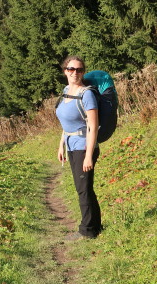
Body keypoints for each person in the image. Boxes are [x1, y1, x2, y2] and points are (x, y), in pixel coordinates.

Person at [56, 55, 102, 240]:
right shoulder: (66, 91)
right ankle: (96, 226)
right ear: (65, 71)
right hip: (71, 145)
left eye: (79, 70)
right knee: (85, 188)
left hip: (84, 146)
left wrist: (89, 155)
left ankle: (87, 231)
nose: (75, 73)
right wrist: (61, 145)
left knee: (83, 189)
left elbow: (92, 126)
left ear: (83, 72)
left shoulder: (87, 94)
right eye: (71, 69)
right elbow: (66, 124)